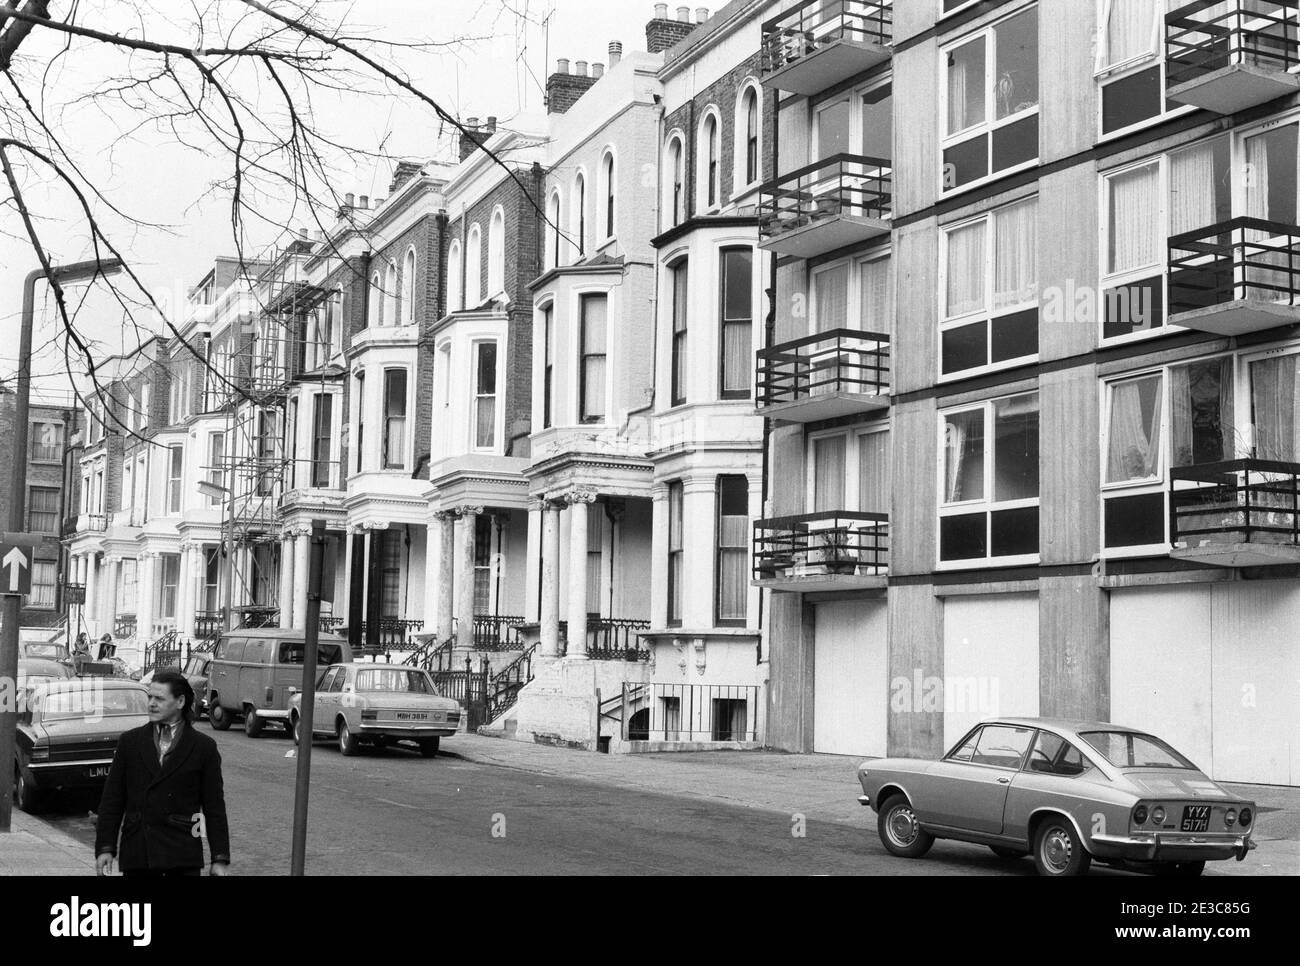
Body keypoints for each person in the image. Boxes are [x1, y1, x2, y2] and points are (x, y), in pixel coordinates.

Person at [95, 669, 231, 877]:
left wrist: (219, 858)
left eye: (159, 698)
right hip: (139, 854)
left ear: (180, 702)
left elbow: (214, 807)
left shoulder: (204, 747)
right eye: (149, 697)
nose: (151, 703)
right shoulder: (130, 742)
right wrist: (105, 847)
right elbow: (112, 799)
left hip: (181, 855)